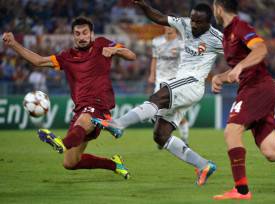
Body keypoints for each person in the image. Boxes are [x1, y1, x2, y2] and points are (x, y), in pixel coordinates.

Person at [92, 0, 223, 186]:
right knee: (160, 135)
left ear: (208, 22)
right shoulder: (185, 23)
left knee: (157, 97)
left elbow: (239, 53)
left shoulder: (217, 38)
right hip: (181, 83)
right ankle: (204, 165)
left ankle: (118, 124)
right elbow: (160, 17)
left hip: (193, 83)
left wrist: (232, 75)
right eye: (192, 20)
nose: (193, 24)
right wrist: (143, 5)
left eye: (198, 22)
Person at [2, 16, 136, 179]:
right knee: (71, 163)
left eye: (85, 33)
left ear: (91, 34)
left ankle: (61, 143)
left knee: (84, 120)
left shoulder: (102, 43)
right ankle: (115, 164)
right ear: (73, 36)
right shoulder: (66, 57)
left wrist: (116, 50)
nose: (81, 37)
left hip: (99, 105)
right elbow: (38, 61)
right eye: (77, 33)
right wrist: (13, 44)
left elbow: (131, 55)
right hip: (80, 109)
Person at [212, 0, 275, 200]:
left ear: (218, 7)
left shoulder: (240, 26)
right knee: (273, 151)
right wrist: (220, 77)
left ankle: (241, 190)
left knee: (231, 131)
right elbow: (236, 70)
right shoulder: (226, 35)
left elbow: (260, 49)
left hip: (257, 87)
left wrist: (241, 67)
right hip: (252, 87)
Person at [149, 26, 189, 146]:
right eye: (166, 26)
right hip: (160, 80)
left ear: (176, 28)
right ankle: (161, 136)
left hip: (174, 81)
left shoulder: (181, 44)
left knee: (175, 112)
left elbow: (184, 63)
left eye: (171, 26)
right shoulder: (156, 41)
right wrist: (152, 74)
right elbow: (154, 59)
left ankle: (184, 138)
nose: (168, 28)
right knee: (156, 112)